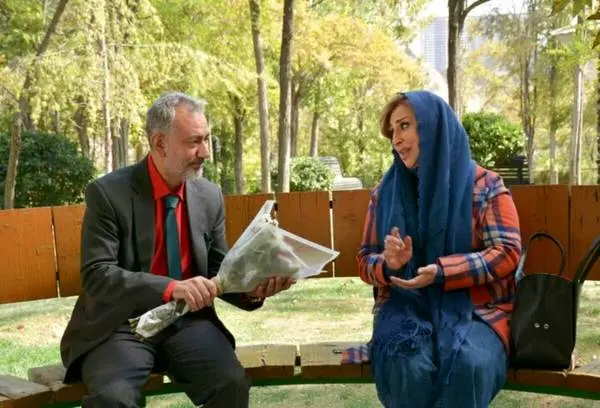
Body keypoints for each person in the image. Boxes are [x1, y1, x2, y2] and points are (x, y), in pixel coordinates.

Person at [60, 91, 295, 408]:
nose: (205, 152)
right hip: (120, 326)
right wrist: (171, 288)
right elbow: (97, 274)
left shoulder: (209, 196)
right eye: (194, 142)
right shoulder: (108, 193)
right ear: (159, 143)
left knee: (232, 383)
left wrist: (253, 288)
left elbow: (218, 272)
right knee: (114, 399)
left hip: (186, 322)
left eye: (206, 139)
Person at [357, 91, 521, 408]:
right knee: (406, 363)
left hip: (478, 311)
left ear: (433, 127)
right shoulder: (383, 193)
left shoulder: (485, 185)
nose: (396, 139)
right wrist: (389, 264)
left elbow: (507, 252)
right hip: (404, 309)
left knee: (467, 365)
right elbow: (365, 261)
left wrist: (444, 272)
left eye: (405, 125)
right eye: (392, 130)